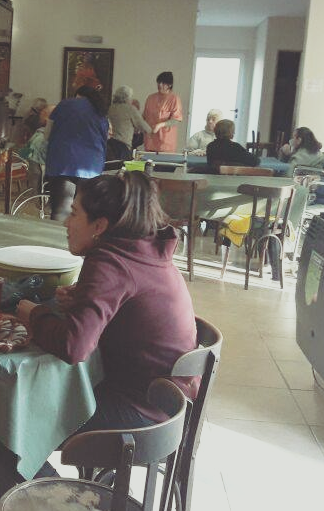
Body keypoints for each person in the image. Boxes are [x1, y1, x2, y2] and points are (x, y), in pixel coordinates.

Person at [16, 172, 197, 435]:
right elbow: (132, 303)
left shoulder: (109, 262)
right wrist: (84, 299)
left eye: (74, 214)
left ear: (99, 226)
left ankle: (44, 472)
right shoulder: (144, 249)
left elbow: (73, 347)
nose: (66, 223)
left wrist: (35, 315)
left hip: (144, 413)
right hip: (171, 403)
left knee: (17, 424)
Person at [44, 83, 109, 221]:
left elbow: (47, 134)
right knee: (84, 211)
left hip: (62, 162)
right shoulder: (100, 111)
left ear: (78, 95)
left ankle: (56, 234)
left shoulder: (64, 104)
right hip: (91, 166)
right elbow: (105, 139)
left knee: (61, 210)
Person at [106, 85, 151, 161]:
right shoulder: (130, 109)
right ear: (127, 97)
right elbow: (146, 128)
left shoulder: (111, 108)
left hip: (109, 145)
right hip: (123, 146)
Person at [142, 71, 183, 152]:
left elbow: (176, 120)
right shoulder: (150, 98)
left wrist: (160, 125)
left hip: (165, 143)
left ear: (170, 85)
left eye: (163, 83)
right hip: (150, 141)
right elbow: (144, 117)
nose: (160, 85)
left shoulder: (174, 99)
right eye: (159, 82)